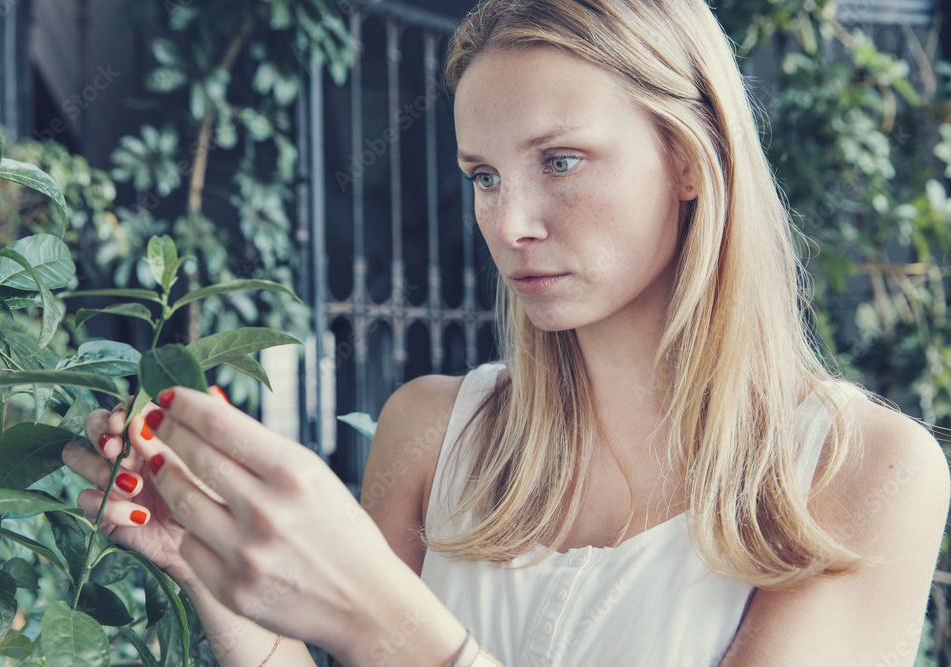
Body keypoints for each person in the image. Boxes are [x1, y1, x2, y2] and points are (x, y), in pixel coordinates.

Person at [63, 0, 951, 664]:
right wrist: (221, 581)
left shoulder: (862, 472)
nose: (508, 220)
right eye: (483, 175)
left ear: (689, 156)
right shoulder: (435, 431)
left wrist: (378, 613)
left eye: (559, 161)